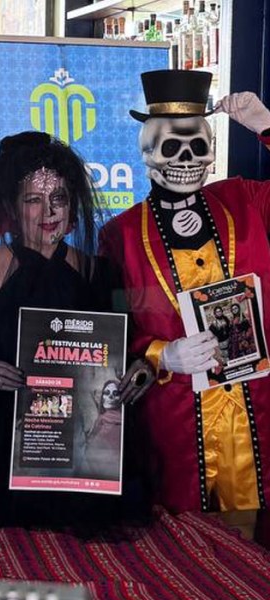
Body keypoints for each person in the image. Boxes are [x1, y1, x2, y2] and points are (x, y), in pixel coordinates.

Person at [0, 131, 153, 530]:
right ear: (10, 207)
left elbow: (130, 347)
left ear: (72, 205)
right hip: (3, 443)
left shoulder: (101, 272)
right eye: (33, 199)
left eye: (58, 198)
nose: (48, 211)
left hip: (83, 445)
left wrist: (141, 371)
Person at [99, 70, 270, 512]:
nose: (188, 158)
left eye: (199, 147)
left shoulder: (244, 201)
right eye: (173, 147)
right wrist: (162, 354)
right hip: (177, 429)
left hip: (257, 422)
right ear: (148, 155)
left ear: (212, 156)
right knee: (184, 558)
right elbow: (118, 325)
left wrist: (266, 125)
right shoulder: (120, 236)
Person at [84, 381, 123, 481]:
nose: (110, 397)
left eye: (115, 394)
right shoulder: (100, 420)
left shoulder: (122, 423)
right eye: (106, 393)